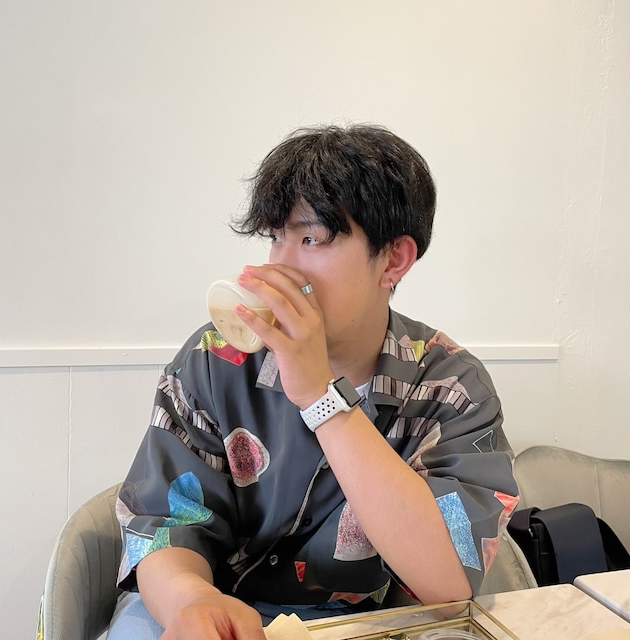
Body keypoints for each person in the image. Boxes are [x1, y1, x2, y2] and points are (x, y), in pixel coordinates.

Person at [107, 124, 519, 640]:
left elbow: (449, 581)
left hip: (364, 622)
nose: (279, 266)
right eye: (275, 237)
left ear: (393, 260)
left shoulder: (450, 387)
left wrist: (323, 396)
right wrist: (194, 602)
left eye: (310, 239)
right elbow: (162, 525)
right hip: (211, 599)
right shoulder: (216, 358)